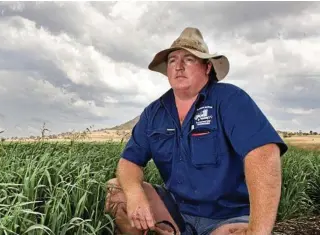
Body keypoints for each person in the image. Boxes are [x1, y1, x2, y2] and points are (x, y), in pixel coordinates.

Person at [104, 27, 288, 235]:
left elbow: (263, 153)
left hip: (226, 217)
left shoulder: (230, 99)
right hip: (175, 210)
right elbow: (129, 160)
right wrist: (135, 194)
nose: (179, 66)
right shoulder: (154, 112)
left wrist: (258, 232)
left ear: (207, 67)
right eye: (173, 60)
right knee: (117, 191)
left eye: (189, 59)